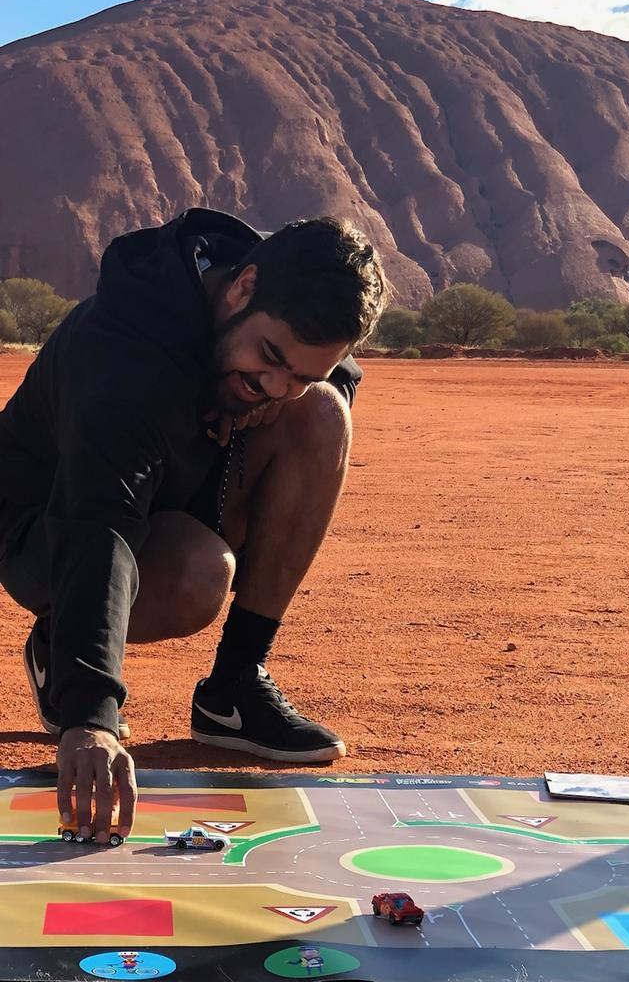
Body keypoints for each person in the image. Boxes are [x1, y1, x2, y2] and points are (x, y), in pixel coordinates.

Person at [0, 207, 388, 843]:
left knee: (321, 414)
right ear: (241, 287)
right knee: (197, 575)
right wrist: (89, 715)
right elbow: (101, 522)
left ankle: (235, 688)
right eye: (268, 358)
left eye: (297, 371)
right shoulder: (124, 345)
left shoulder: (278, 339)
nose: (273, 384)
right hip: (48, 524)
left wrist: (277, 390)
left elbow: (319, 375)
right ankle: (56, 647)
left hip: (167, 493)